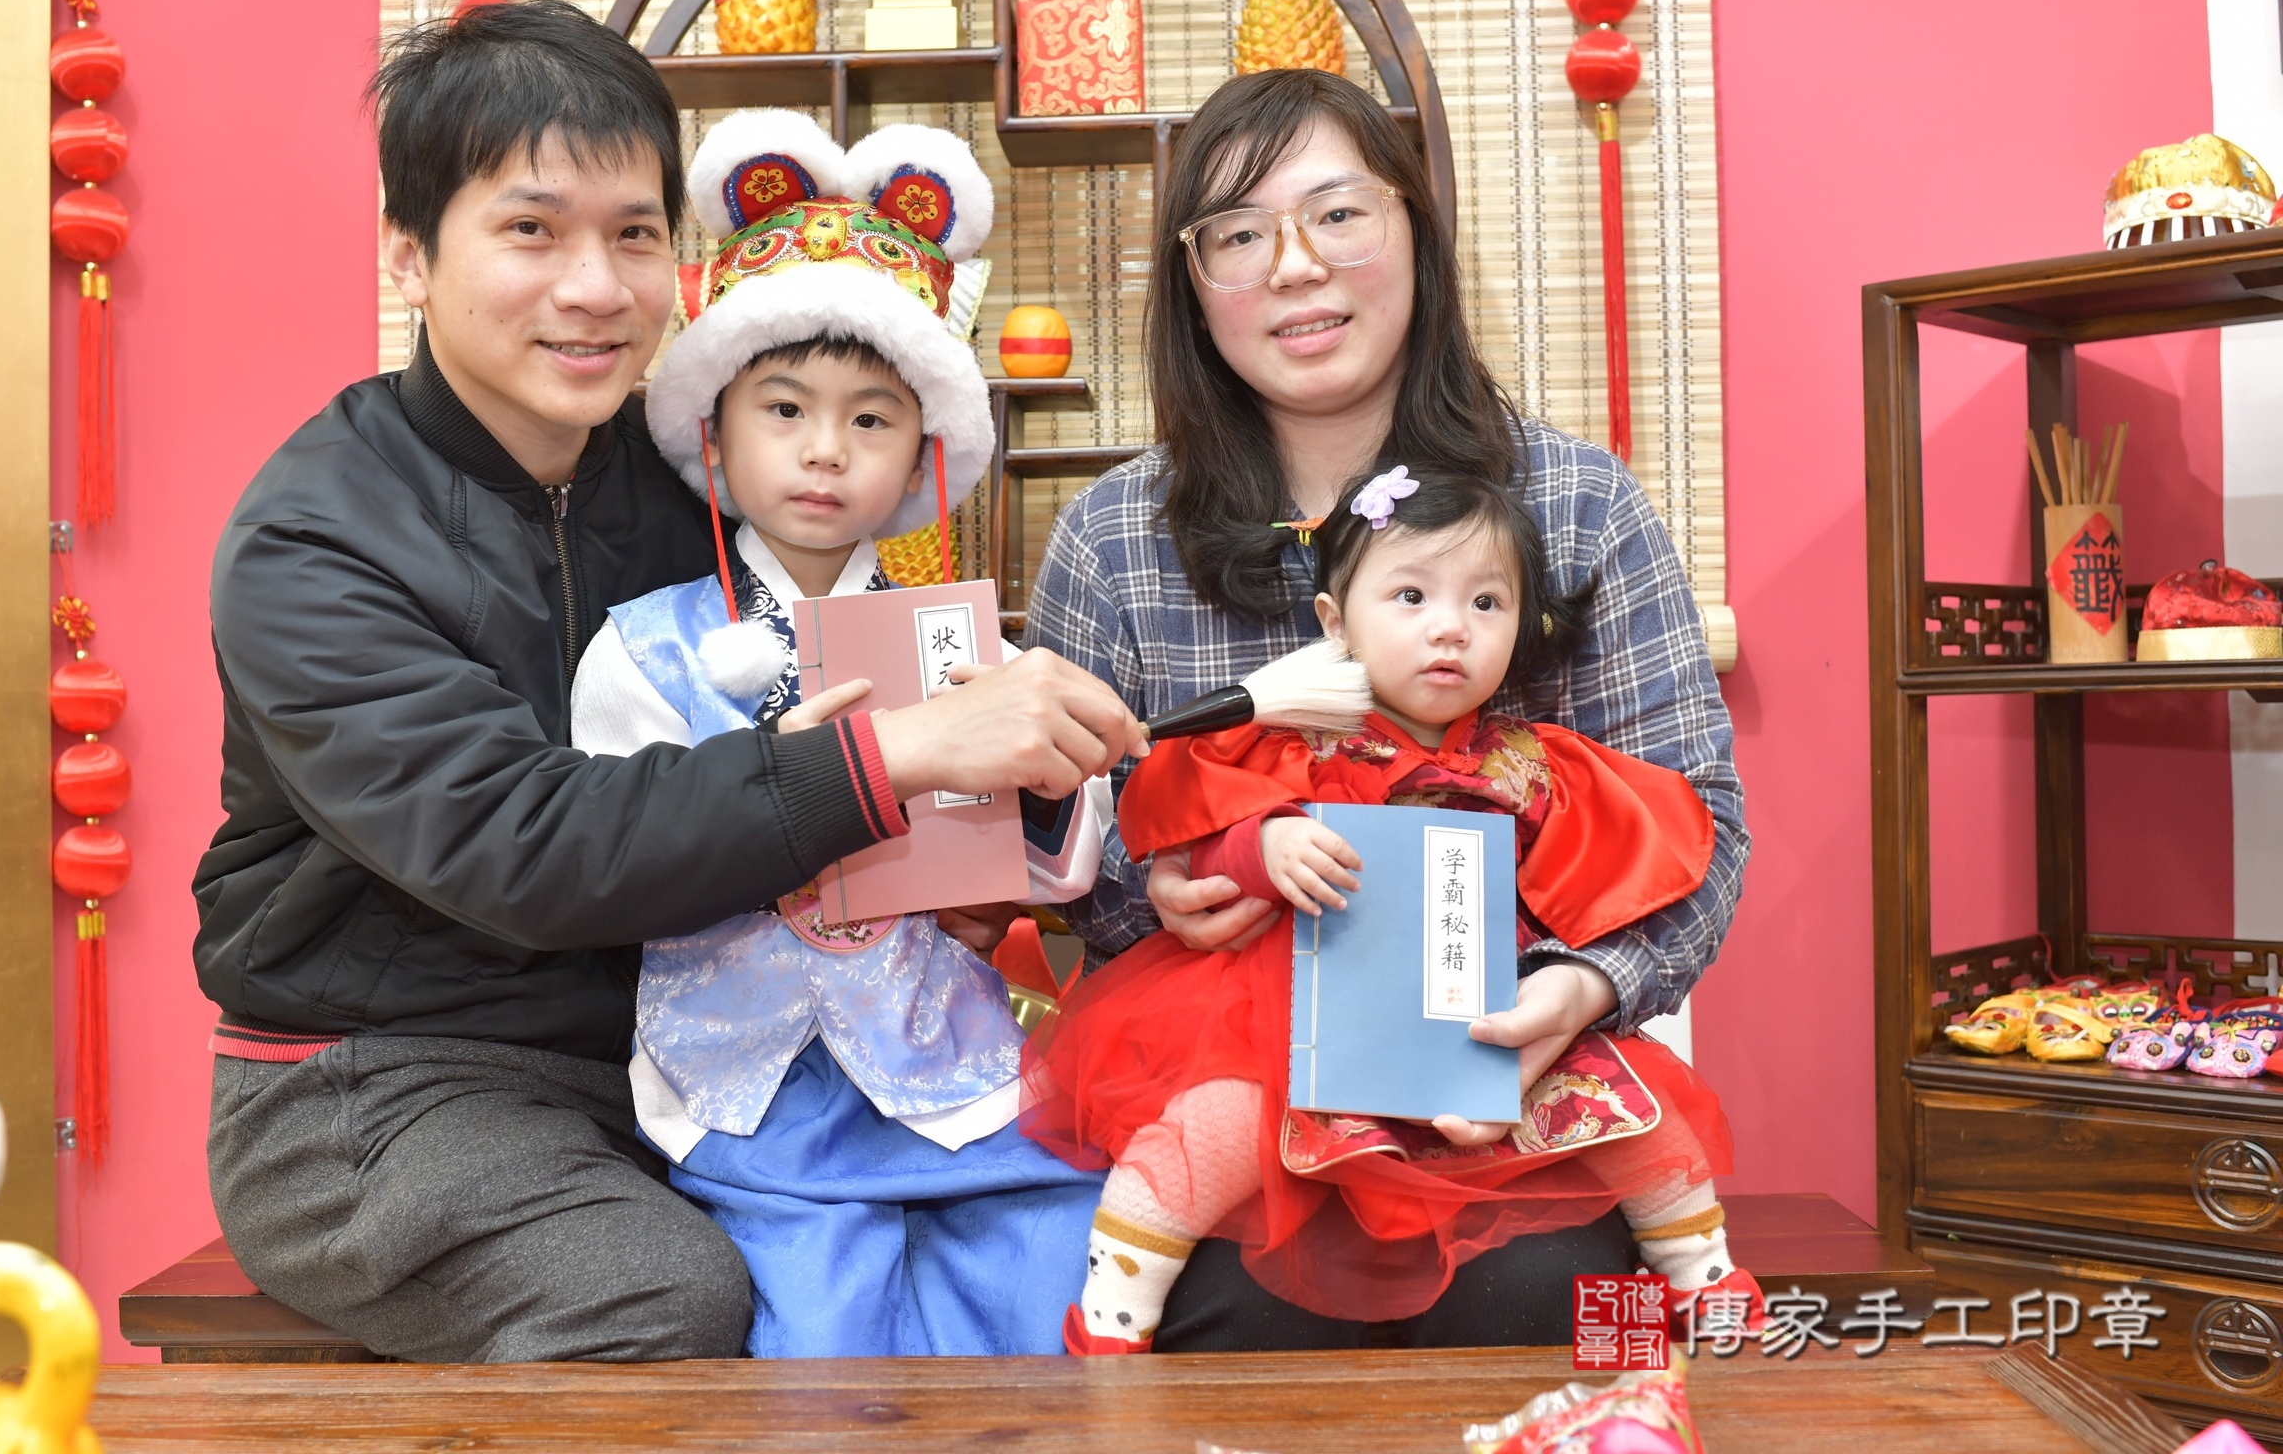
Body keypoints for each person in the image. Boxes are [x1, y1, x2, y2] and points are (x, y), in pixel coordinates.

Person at [194, 2, 1140, 1365]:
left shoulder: (705, 479)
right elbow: (520, 844)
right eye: (532, 230)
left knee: (1074, 1238)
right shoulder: (317, 538)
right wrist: (895, 760)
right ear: (409, 254)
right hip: (380, 1082)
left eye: (634, 234)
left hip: (698, 1051)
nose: (595, 286)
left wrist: (997, 817)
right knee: (660, 1298)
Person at [1023, 68, 1747, 1349]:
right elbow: (1079, 853)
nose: (1296, 266)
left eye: (1339, 213)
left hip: (1501, 1089)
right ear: (1194, 281)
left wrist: (1584, 990)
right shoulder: (1115, 537)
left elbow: (1701, 826)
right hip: (1235, 1091)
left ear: (1416, 223)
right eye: (1239, 234)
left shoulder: (1576, 503)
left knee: (1561, 1307)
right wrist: (1174, 884)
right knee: (1231, 1320)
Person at [565, 110, 1107, 1357]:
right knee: (817, 1346)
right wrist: (777, 790)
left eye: (871, 420)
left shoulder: (965, 650)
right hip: (747, 1085)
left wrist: (1039, 791)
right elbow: (608, 856)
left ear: (921, 460)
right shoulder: (645, 647)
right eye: (784, 408)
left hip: (943, 1057)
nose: (824, 450)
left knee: (1047, 1283)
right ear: (714, 435)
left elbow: (1063, 857)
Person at [1026, 463, 1764, 1354]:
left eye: (1486, 604)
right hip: (1294, 1017)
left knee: (1630, 1113)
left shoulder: (1534, 765)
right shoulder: (1294, 743)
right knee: (1213, 1127)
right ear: (1335, 622)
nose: (1451, 628)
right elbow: (1184, 824)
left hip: (1482, 1014)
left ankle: (1706, 1279)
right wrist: (1259, 848)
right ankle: (1115, 1310)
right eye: (1411, 597)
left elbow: (1634, 853)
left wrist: (1582, 978)